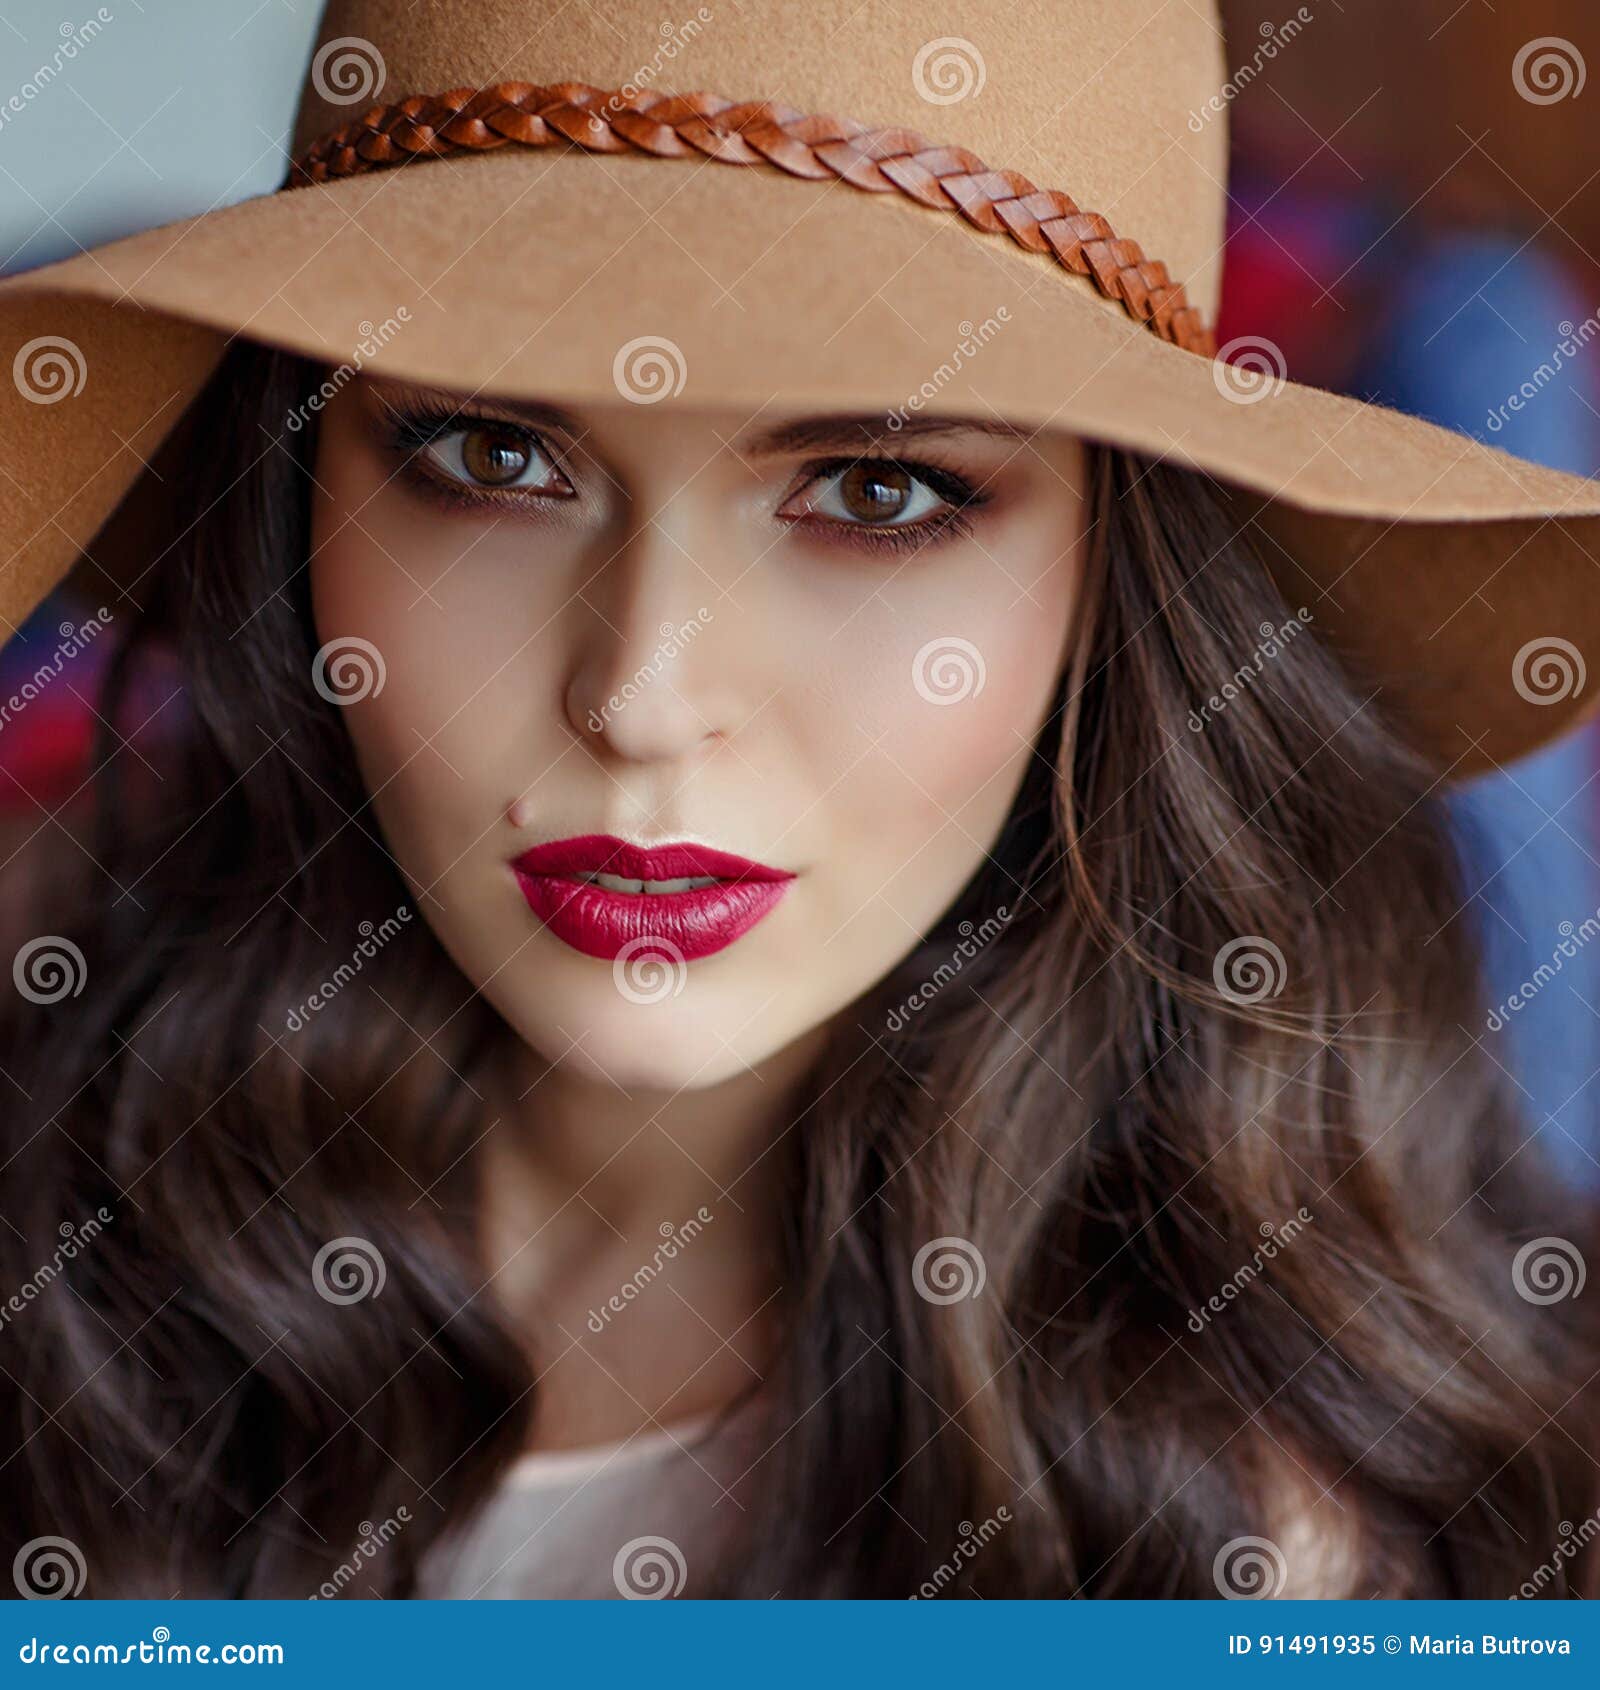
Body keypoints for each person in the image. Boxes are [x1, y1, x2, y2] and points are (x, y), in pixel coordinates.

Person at [1, 0, 1599, 1600]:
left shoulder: (1290, 1543)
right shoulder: (61, 1212)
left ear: (1114, 582)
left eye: (876, 490)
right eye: (494, 455)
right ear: (293, 502)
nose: (642, 695)